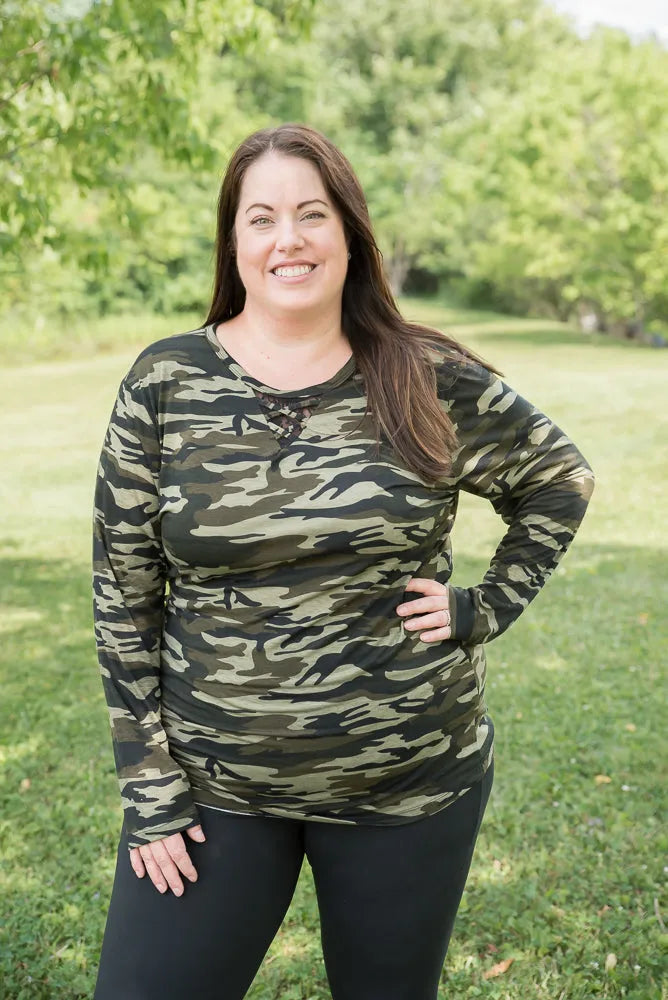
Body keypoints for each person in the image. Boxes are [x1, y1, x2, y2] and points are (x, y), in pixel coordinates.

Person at [91, 122, 595, 1000]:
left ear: (350, 233)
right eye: (262, 217)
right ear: (235, 242)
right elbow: (123, 595)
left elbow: (559, 477)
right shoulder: (165, 382)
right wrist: (149, 782)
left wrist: (486, 606)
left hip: (407, 782)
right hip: (216, 789)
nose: (288, 238)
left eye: (311, 213)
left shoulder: (423, 375)